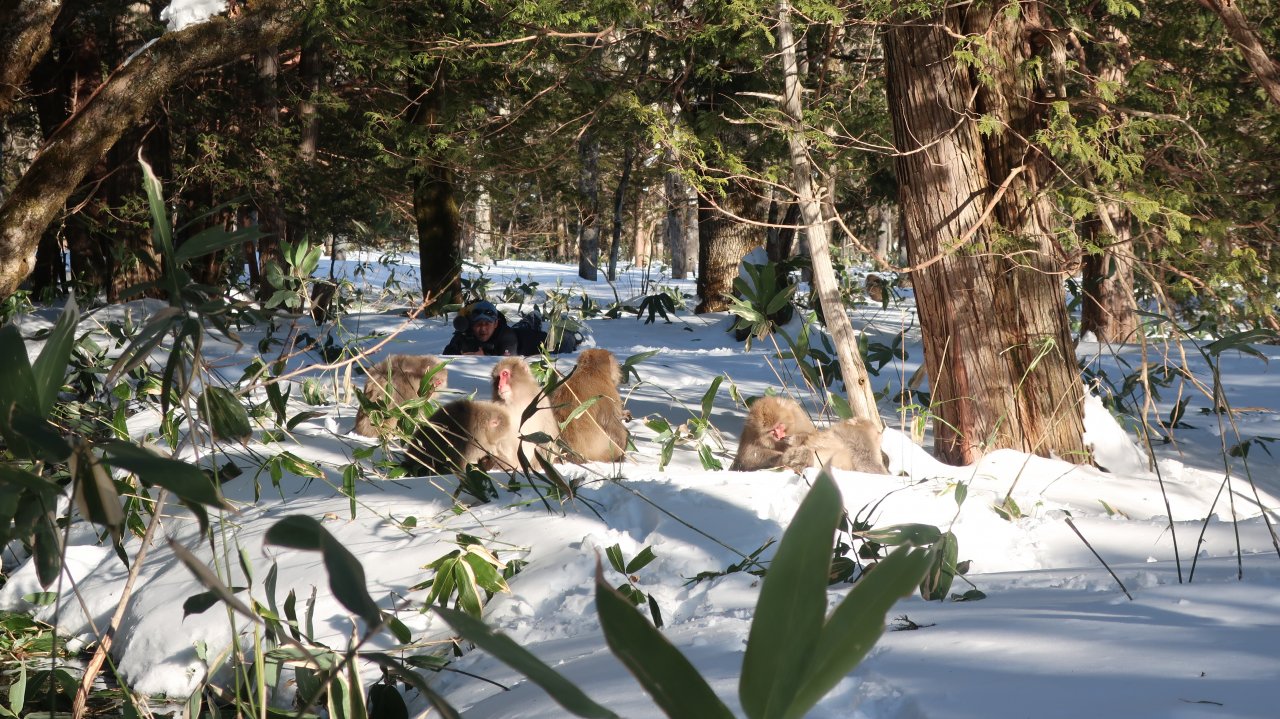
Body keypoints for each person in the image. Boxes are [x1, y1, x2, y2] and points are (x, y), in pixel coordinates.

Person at [443, 300, 519, 356]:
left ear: (496, 324)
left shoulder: (506, 336)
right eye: (478, 324)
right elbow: (446, 356)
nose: (483, 328)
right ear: (471, 325)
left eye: (487, 324)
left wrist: (485, 357)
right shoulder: (465, 334)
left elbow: (508, 364)